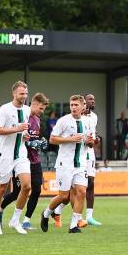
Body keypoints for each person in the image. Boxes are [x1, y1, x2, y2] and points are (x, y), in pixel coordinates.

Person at [41, 95, 94, 234]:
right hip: (65, 163)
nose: (73, 107)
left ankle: (73, 225)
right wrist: (70, 139)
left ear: (83, 106)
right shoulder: (63, 121)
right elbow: (52, 139)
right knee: (64, 196)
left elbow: (91, 143)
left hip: (81, 163)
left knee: (81, 192)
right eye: (71, 105)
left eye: (76, 105)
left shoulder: (88, 122)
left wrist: (90, 141)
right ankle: (46, 213)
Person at [0, 93, 49, 230]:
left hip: (35, 160)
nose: (42, 111)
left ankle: (26, 220)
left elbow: (31, 138)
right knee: (17, 192)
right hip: (21, 159)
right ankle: (0, 210)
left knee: (37, 190)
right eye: (41, 108)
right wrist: (30, 144)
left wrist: (39, 143)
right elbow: (17, 138)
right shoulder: (24, 116)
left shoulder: (37, 120)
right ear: (33, 104)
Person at [0, 81, 33, 235]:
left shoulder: (28, 110)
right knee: (2, 188)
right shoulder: (5, 109)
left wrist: (25, 135)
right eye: (21, 93)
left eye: (26, 93)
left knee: (27, 186)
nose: (24, 96)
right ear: (14, 94)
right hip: (5, 155)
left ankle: (15, 220)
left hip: (21, 153)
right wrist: (17, 129)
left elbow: (21, 132)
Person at [82, 93, 102, 226]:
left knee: (91, 183)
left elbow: (93, 134)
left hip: (90, 152)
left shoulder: (94, 117)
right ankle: (56, 211)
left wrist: (96, 140)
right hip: (80, 152)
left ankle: (89, 216)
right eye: (90, 99)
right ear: (84, 102)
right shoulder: (78, 116)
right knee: (74, 188)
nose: (93, 101)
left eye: (94, 99)